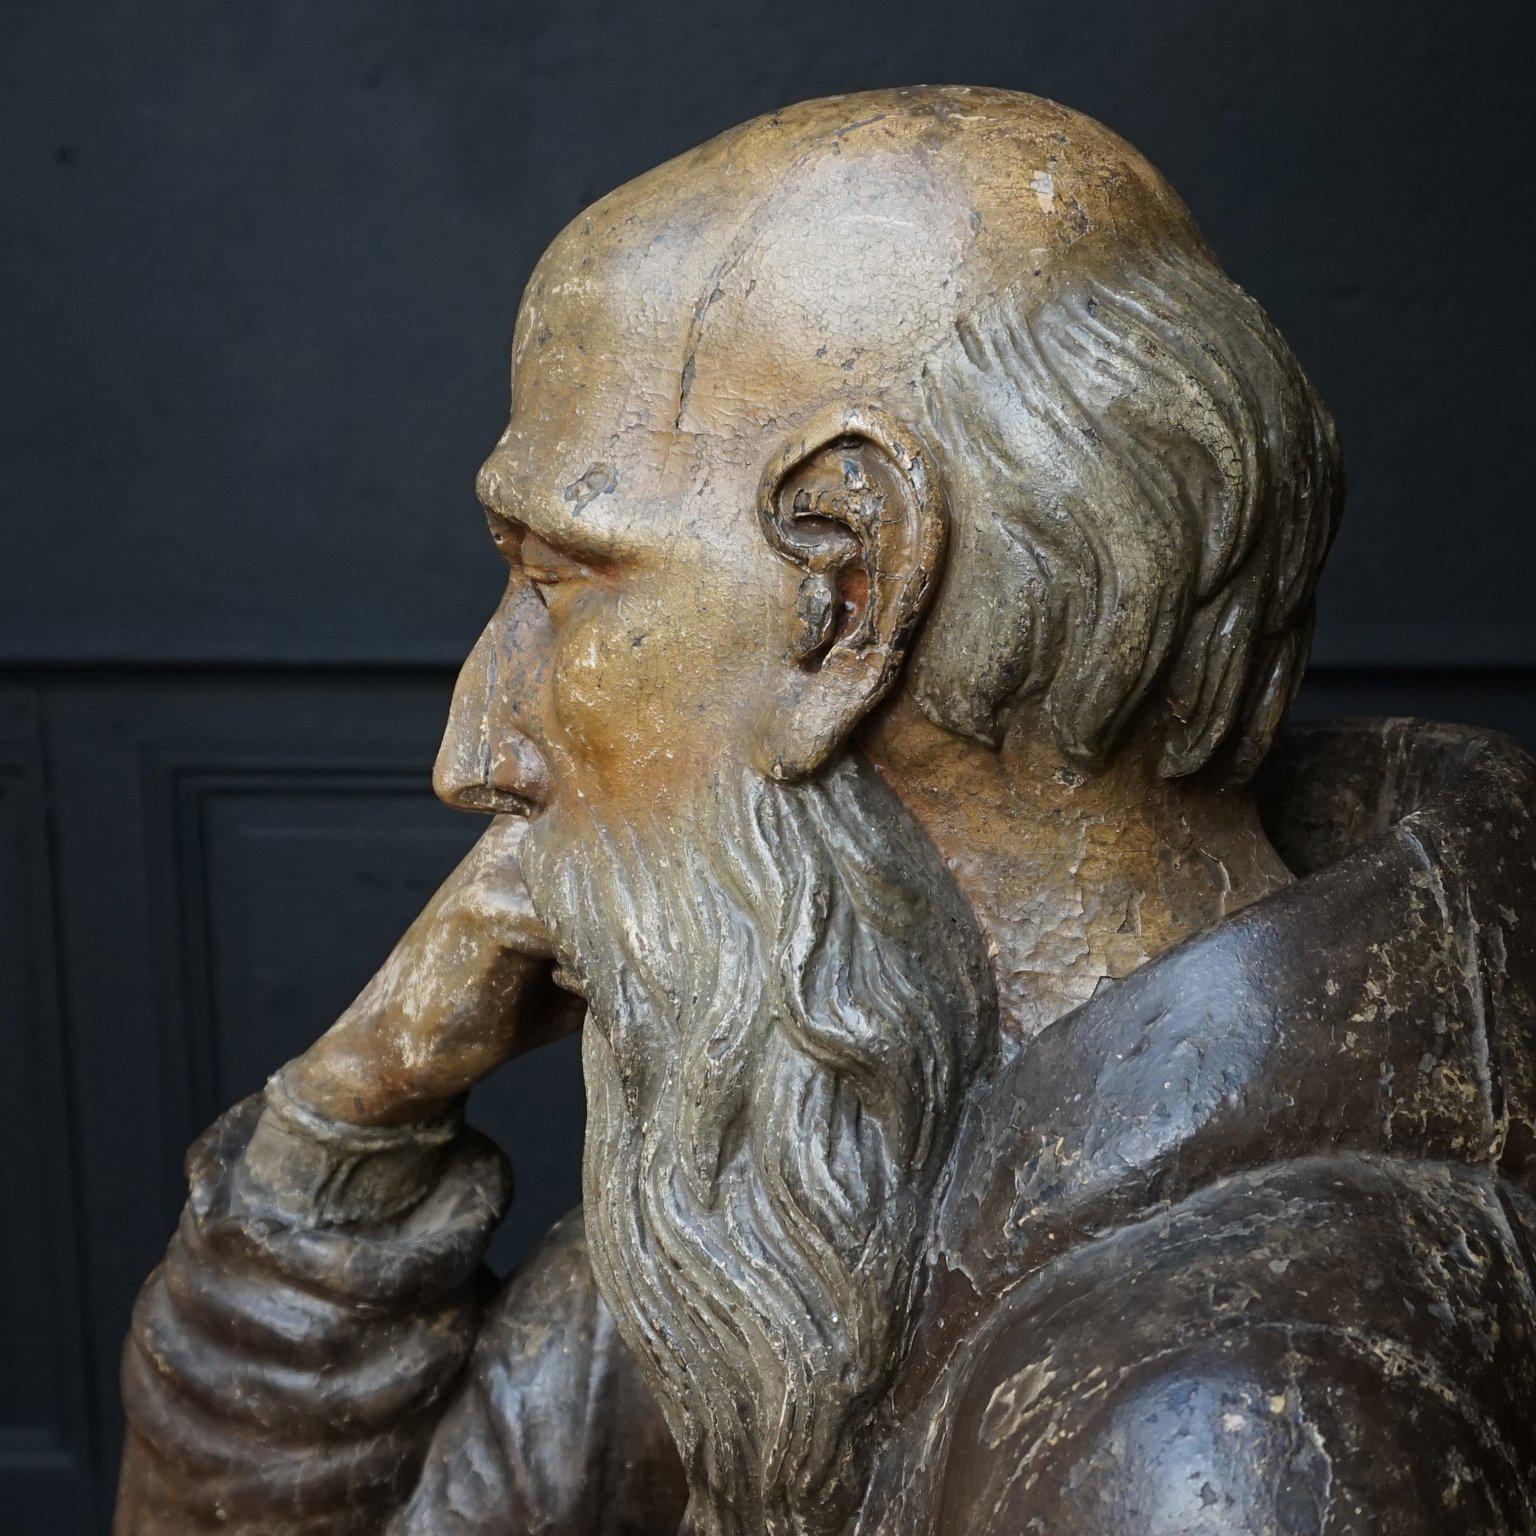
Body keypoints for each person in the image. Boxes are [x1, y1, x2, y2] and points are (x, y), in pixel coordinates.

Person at [116, 86, 1536, 1536]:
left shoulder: (1228, 1447)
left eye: (558, 579)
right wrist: (345, 1135)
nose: (476, 748)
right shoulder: (824, 1144)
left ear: (850, 586)